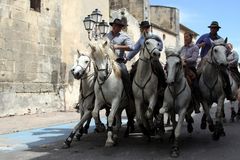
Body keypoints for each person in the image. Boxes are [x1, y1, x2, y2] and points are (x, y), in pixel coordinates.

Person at [196, 21, 234, 101]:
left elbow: (225, 51)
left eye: (215, 28)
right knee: (197, 74)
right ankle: (197, 95)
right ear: (210, 28)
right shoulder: (204, 37)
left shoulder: (221, 39)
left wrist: (226, 47)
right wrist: (201, 45)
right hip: (205, 60)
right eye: (212, 28)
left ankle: (229, 93)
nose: (213, 29)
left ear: (217, 29)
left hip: (217, 62)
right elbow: (195, 47)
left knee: (226, 74)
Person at [126, 20, 166, 91]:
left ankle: (162, 87)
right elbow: (135, 48)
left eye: (147, 27)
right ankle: (131, 89)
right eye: (143, 28)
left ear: (149, 28)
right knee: (132, 70)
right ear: (141, 29)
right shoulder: (141, 38)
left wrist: (157, 49)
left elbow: (161, 45)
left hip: (153, 58)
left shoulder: (155, 37)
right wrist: (127, 58)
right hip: (143, 58)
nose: (145, 29)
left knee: (160, 70)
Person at [106, 18, 134, 99]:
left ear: (120, 28)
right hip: (107, 61)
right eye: (114, 25)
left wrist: (118, 46)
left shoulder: (124, 36)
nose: (115, 27)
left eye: (118, 26)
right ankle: (90, 98)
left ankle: (129, 98)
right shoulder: (107, 35)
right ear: (112, 26)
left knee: (125, 75)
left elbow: (131, 47)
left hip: (118, 61)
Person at [179, 31, 200, 113]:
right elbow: (178, 55)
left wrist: (184, 60)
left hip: (190, 68)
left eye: (187, 37)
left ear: (191, 38)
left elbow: (194, 59)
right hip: (181, 67)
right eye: (184, 37)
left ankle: (196, 103)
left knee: (196, 86)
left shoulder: (195, 47)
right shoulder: (182, 48)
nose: (185, 39)